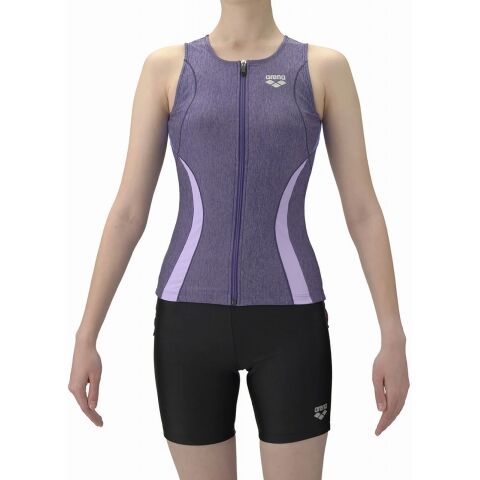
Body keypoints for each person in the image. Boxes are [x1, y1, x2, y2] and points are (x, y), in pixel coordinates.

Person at [68, 1, 410, 478]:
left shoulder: (322, 69)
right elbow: (127, 213)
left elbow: (363, 212)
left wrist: (393, 335)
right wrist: (86, 336)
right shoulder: (167, 68)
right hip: (188, 323)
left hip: (290, 323)